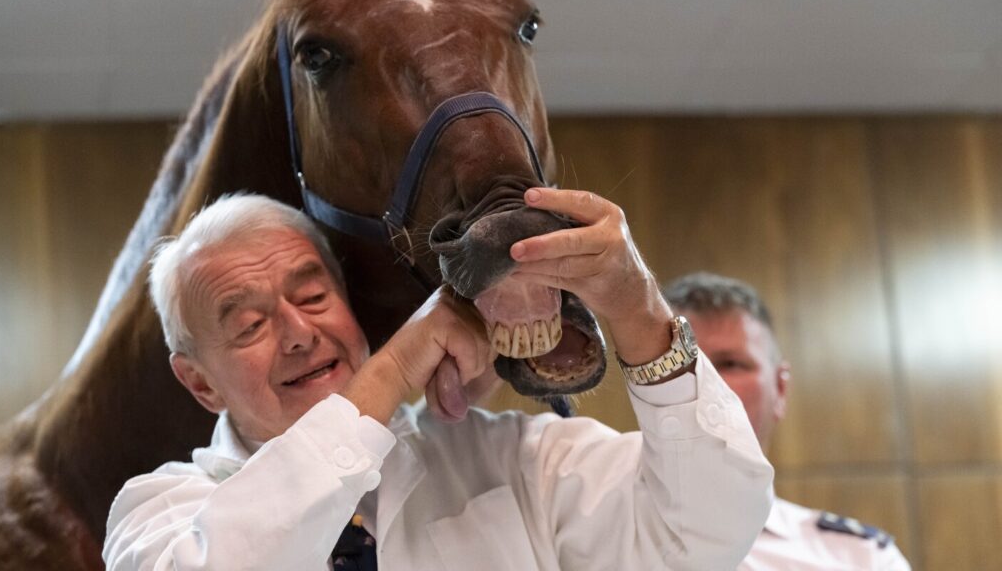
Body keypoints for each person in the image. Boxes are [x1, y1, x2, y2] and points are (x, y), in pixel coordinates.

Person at [103, 191, 774, 570]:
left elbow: (707, 535)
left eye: (313, 299)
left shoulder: (512, 460)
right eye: (249, 324)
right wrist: (392, 371)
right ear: (200, 385)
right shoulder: (158, 513)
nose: (300, 333)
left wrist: (638, 308)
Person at [665, 271, 912, 570]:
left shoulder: (861, 558)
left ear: (780, 389)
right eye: (680, 363)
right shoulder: (600, 546)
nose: (706, 382)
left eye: (730, 364)